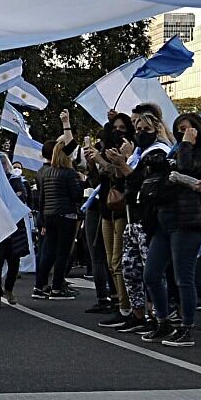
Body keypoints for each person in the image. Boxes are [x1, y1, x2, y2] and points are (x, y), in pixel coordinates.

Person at [140, 111, 201, 347]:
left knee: (182, 277)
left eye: (186, 128)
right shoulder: (174, 150)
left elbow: (186, 169)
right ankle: (163, 320)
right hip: (164, 219)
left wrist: (186, 145)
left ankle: (187, 326)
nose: (181, 133)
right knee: (151, 274)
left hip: (188, 220)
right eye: (179, 129)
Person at [115, 104, 171, 334]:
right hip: (132, 218)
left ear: (156, 129)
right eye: (137, 128)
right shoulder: (138, 153)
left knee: (153, 272)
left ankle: (160, 316)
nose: (139, 132)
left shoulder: (160, 152)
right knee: (130, 268)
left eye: (145, 128)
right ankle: (138, 315)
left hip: (148, 220)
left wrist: (125, 165)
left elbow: (146, 183)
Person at [87, 112, 135, 322]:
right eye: (115, 127)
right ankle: (120, 302)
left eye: (123, 128)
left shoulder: (131, 149)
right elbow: (94, 182)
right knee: (110, 261)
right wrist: (93, 163)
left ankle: (126, 307)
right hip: (106, 209)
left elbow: (121, 175)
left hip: (124, 209)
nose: (118, 131)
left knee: (118, 261)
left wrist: (106, 162)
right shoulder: (103, 149)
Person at [32, 140, 83, 300]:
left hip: (49, 216)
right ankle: (56, 288)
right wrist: (81, 182)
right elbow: (76, 196)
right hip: (66, 215)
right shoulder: (69, 173)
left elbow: (42, 199)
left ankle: (38, 287)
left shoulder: (45, 173)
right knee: (62, 253)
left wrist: (43, 220)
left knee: (47, 252)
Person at [0, 174, 32, 306]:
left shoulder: (15, 180)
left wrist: (9, 198)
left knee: (14, 261)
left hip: (15, 228)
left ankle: (9, 289)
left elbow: (22, 198)